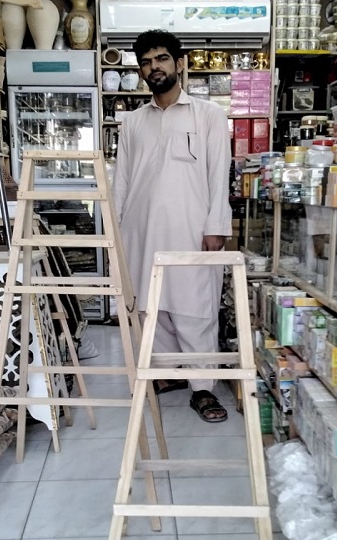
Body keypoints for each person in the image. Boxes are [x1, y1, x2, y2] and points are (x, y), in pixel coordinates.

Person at [113, 29, 232, 424]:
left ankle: (203, 387)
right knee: (151, 306)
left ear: (179, 63)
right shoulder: (132, 122)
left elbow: (219, 174)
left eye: (162, 58)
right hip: (140, 229)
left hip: (191, 228)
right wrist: (116, 231)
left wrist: (216, 225)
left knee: (195, 307)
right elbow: (122, 181)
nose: (154, 67)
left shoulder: (208, 115)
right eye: (146, 62)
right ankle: (169, 373)